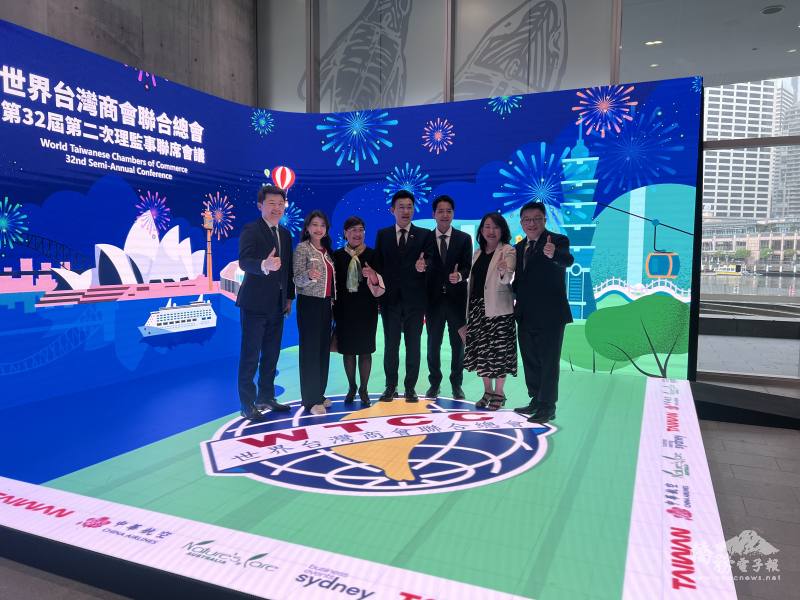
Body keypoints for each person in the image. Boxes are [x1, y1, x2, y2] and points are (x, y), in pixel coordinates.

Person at [236, 184, 295, 422]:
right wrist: (263, 265)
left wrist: (289, 297)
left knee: (271, 354)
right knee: (250, 355)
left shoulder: (285, 234)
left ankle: (266, 397)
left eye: (281, 204)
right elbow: (244, 261)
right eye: (272, 204)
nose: (277, 208)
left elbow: (288, 269)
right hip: (254, 304)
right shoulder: (251, 229)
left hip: (278, 305)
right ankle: (247, 404)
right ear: (260, 205)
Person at [512, 201, 574, 423]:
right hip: (525, 314)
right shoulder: (519, 248)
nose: (532, 223)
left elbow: (567, 260)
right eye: (527, 220)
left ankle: (548, 406)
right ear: (521, 223)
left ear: (544, 220)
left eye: (537, 219)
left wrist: (553, 254)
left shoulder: (557, 240)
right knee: (530, 359)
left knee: (548, 362)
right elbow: (520, 281)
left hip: (550, 315)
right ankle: (536, 400)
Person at [372, 189, 434, 403]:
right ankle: (390, 387)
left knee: (413, 345)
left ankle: (410, 388)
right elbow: (379, 265)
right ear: (392, 210)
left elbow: (431, 261)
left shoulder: (425, 235)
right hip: (389, 301)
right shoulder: (383, 235)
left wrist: (424, 265)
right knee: (391, 345)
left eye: (409, 207)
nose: (406, 211)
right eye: (401, 207)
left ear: (414, 209)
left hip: (415, 302)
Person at [463, 212, 517, 410]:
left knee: (499, 352)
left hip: (499, 311)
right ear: (481, 230)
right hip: (477, 309)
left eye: (495, 227)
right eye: (487, 226)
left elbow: (507, 278)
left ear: (502, 230)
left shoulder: (508, 250)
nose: (491, 231)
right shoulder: (477, 253)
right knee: (482, 352)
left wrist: (503, 269)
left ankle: (499, 392)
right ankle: (487, 390)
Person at [332, 216, 385, 406]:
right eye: (353, 230)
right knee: (348, 351)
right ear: (345, 233)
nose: (358, 233)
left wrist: (373, 275)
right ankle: (352, 386)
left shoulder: (373, 255)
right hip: (344, 310)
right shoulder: (337, 256)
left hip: (366, 310)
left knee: (365, 350)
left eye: (361, 229)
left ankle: (364, 388)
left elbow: (381, 284)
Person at [425, 195, 472, 399]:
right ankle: (434, 383)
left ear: (453, 214)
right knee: (433, 344)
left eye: (448, 211)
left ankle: (456, 384)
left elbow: (467, 267)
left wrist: (459, 275)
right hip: (433, 302)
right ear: (433, 214)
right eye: (440, 211)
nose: (445, 215)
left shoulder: (464, 239)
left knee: (458, 345)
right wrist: (420, 267)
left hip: (457, 301)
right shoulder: (425, 239)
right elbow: (422, 266)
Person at [293, 210, 336, 415]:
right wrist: (309, 276)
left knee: (322, 350)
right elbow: (296, 279)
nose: (319, 229)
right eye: (315, 225)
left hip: (326, 305)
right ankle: (310, 400)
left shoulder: (327, 251)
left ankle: (319, 393)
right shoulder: (302, 248)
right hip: (309, 304)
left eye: (322, 225)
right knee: (310, 351)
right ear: (308, 228)